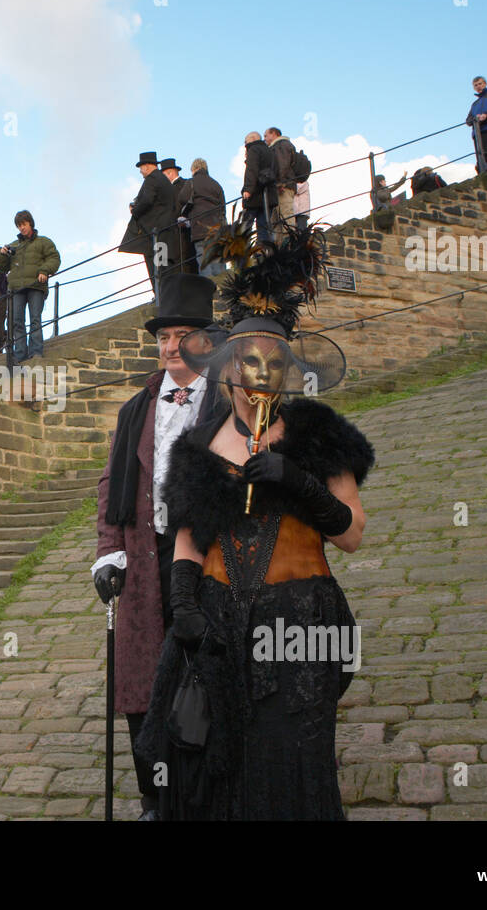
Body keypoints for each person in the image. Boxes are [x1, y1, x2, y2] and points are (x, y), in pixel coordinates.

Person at [136, 225, 375, 821]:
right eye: (248, 361)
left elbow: (351, 534)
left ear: (286, 368)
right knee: (212, 759)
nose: (258, 375)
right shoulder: (199, 442)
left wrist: (297, 481)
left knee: (290, 759)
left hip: (298, 625)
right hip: (215, 628)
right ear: (229, 367)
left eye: (272, 362)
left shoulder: (317, 434)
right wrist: (184, 603)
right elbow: (189, 535)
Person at [95, 275, 218, 821]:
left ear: (207, 342)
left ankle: (208, 789)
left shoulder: (227, 400)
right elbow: (110, 485)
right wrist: (108, 551)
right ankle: (153, 798)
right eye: (164, 337)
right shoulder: (136, 409)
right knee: (141, 679)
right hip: (144, 558)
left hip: (209, 560)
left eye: (182, 336)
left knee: (205, 671)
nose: (171, 347)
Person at [0, 210, 60, 364]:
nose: (22, 228)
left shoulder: (44, 242)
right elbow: (1, 266)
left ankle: (36, 352)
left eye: (24, 224)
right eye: (19, 225)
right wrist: (2, 254)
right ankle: (20, 353)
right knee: (16, 320)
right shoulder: (14, 245)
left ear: (30, 223)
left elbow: (54, 258)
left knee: (35, 319)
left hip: (36, 285)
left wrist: (45, 271)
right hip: (17, 288)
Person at [123, 151, 179, 291]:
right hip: (165, 231)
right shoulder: (163, 180)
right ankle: (165, 296)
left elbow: (147, 200)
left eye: (141, 168)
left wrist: (134, 210)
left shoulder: (152, 179)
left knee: (158, 267)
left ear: (147, 166)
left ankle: (161, 296)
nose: (141, 172)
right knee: (164, 266)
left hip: (156, 232)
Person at [177, 158, 229, 277]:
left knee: (205, 264)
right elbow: (223, 208)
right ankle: (222, 291)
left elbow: (182, 198)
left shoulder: (191, 182)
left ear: (195, 169)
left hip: (200, 229)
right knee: (218, 264)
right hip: (217, 230)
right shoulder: (216, 184)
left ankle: (209, 293)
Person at [161, 158, 197, 276]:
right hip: (173, 233)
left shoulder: (185, 184)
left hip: (183, 230)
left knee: (186, 259)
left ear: (170, 173)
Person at [264, 127, 298, 240]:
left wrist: (279, 183)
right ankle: (280, 249)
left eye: (266, 136)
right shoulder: (280, 146)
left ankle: (290, 244)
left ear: (273, 134)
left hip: (283, 187)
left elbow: (282, 165)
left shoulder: (281, 145)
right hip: (281, 186)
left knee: (286, 217)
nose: (265, 139)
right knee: (278, 220)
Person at [241, 133, 274, 245]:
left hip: (254, 195)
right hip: (269, 195)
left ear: (253, 139)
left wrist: (248, 189)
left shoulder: (253, 149)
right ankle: (263, 251)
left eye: (245, 142)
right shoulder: (269, 150)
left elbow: (252, 170)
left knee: (245, 227)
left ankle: (244, 253)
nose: (245, 145)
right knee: (263, 228)